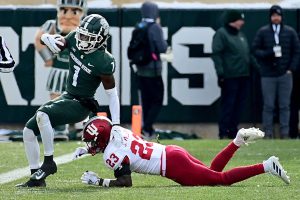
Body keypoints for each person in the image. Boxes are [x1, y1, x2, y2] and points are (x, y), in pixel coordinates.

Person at [16, 14, 120, 187]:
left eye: (89, 37)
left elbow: (112, 94)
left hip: (81, 104)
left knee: (43, 114)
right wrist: (46, 38)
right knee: (27, 131)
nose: (83, 39)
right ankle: (36, 177)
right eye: (82, 34)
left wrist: (115, 124)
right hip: (67, 96)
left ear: (100, 39)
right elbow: (57, 43)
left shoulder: (104, 61)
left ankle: (49, 162)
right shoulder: (74, 37)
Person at [72, 116, 290, 187]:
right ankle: (237, 141)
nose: (91, 146)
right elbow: (113, 146)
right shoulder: (117, 131)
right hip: (172, 151)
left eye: (92, 142)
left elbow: (125, 182)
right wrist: (90, 149)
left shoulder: (112, 155)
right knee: (212, 172)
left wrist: (100, 182)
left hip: (173, 166)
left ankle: (266, 166)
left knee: (220, 179)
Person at [34, 0, 87, 138]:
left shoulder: (87, 27)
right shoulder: (51, 25)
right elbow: (38, 39)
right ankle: (60, 129)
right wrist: (47, 58)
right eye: (64, 10)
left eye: (74, 11)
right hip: (58, 69)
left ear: (83, 12)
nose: (68, 16)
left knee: (80, 99)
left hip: (77, 70)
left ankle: (82, 128)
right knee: (56, 98)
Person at [252, 5, 300, 139]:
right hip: (268, 75)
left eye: (278, 15)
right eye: (273, 15)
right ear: (270, 17)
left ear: (281, 17)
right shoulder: (263, 32)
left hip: (285, 74)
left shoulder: (290, 32)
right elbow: (255, 50)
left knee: (285, 105)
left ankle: (285, 133)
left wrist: (291, 68)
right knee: (268, 105)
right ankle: (267, 133)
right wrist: (269, 53)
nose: (276, 18)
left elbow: (296, 51)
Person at [212, 10, 256, 139]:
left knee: (239, 105)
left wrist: (256, 68)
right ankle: (223, 131)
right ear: (233, 20)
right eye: (240, 19)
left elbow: (246, 54)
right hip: (230, 77)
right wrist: (220, 73)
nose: (242, 22)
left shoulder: (240, 34)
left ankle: (233, 130)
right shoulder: (222, 34)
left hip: (243, 75)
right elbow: (216, 54)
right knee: (228, 104)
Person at [133, 1, 168, 138]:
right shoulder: (155, 27)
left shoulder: (139, 26)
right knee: (157, 99)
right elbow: (162, 48)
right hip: (153, 71)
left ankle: (146, 128)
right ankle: (147, 126)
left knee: (146, 100)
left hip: (140, 70)